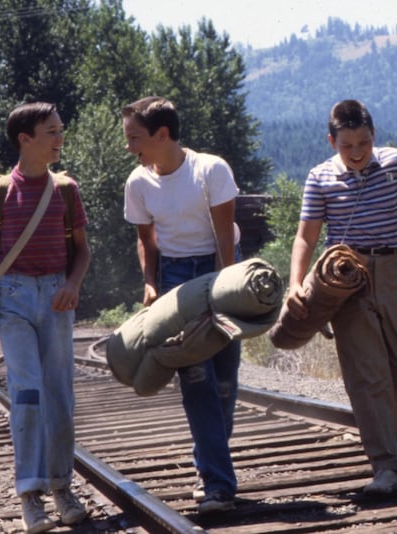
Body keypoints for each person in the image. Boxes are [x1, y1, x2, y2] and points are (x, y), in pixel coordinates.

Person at [286, 99, 397, 495]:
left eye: (363, 142)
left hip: (393, 271)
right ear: (332, 142)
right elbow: (306, 236)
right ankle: (386, 465)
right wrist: (295, 283)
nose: (357, 152)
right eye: (347, 145)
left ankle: (393, 448)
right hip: (346, 278)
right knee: (368, 376)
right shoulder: (320, 177)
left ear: (374, 136)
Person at [0, 102, 91, 534]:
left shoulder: (67, 189)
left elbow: (83, 250)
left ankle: (62, 489)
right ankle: (30, 496)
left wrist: (73, 284)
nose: (59, 139)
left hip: (56, 298)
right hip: (14, 299)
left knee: (60, 397)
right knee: (29, 394)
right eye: (51, 132)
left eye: (60, 130)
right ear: (25, 139)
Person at [121, 96, 241, 513]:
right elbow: (146, 240)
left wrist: (226, 292)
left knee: (223, 381)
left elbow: (224, 237)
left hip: (219, 268)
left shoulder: (210, 169)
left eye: (134, 138)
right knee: (195, 378)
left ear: (162, 134)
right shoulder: (138, 182)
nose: (129, 147)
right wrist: (150, 283)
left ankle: (209, 463)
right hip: (174, 278)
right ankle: (218, 484)